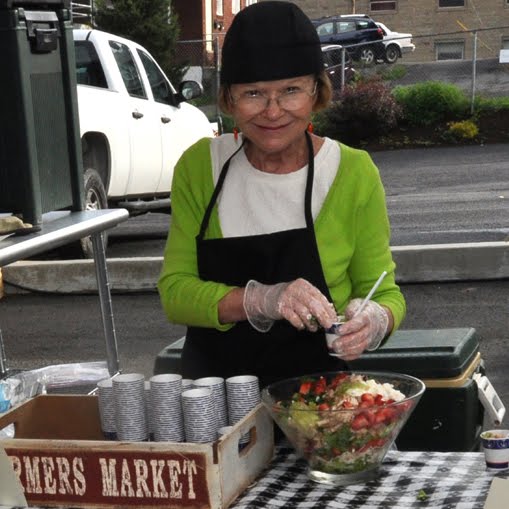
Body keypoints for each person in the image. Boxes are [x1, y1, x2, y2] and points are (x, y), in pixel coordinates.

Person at [157, 1, 405, 389]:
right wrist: (261, 300)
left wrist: (375, 319)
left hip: (319, 405)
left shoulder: (353, 172)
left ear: (316, 93)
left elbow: (386, 292)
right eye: (253, 94)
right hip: (212, 403)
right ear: (229, 99)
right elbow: (175, 293)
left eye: (290, 91)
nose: (273, 112)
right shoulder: (200, 168)